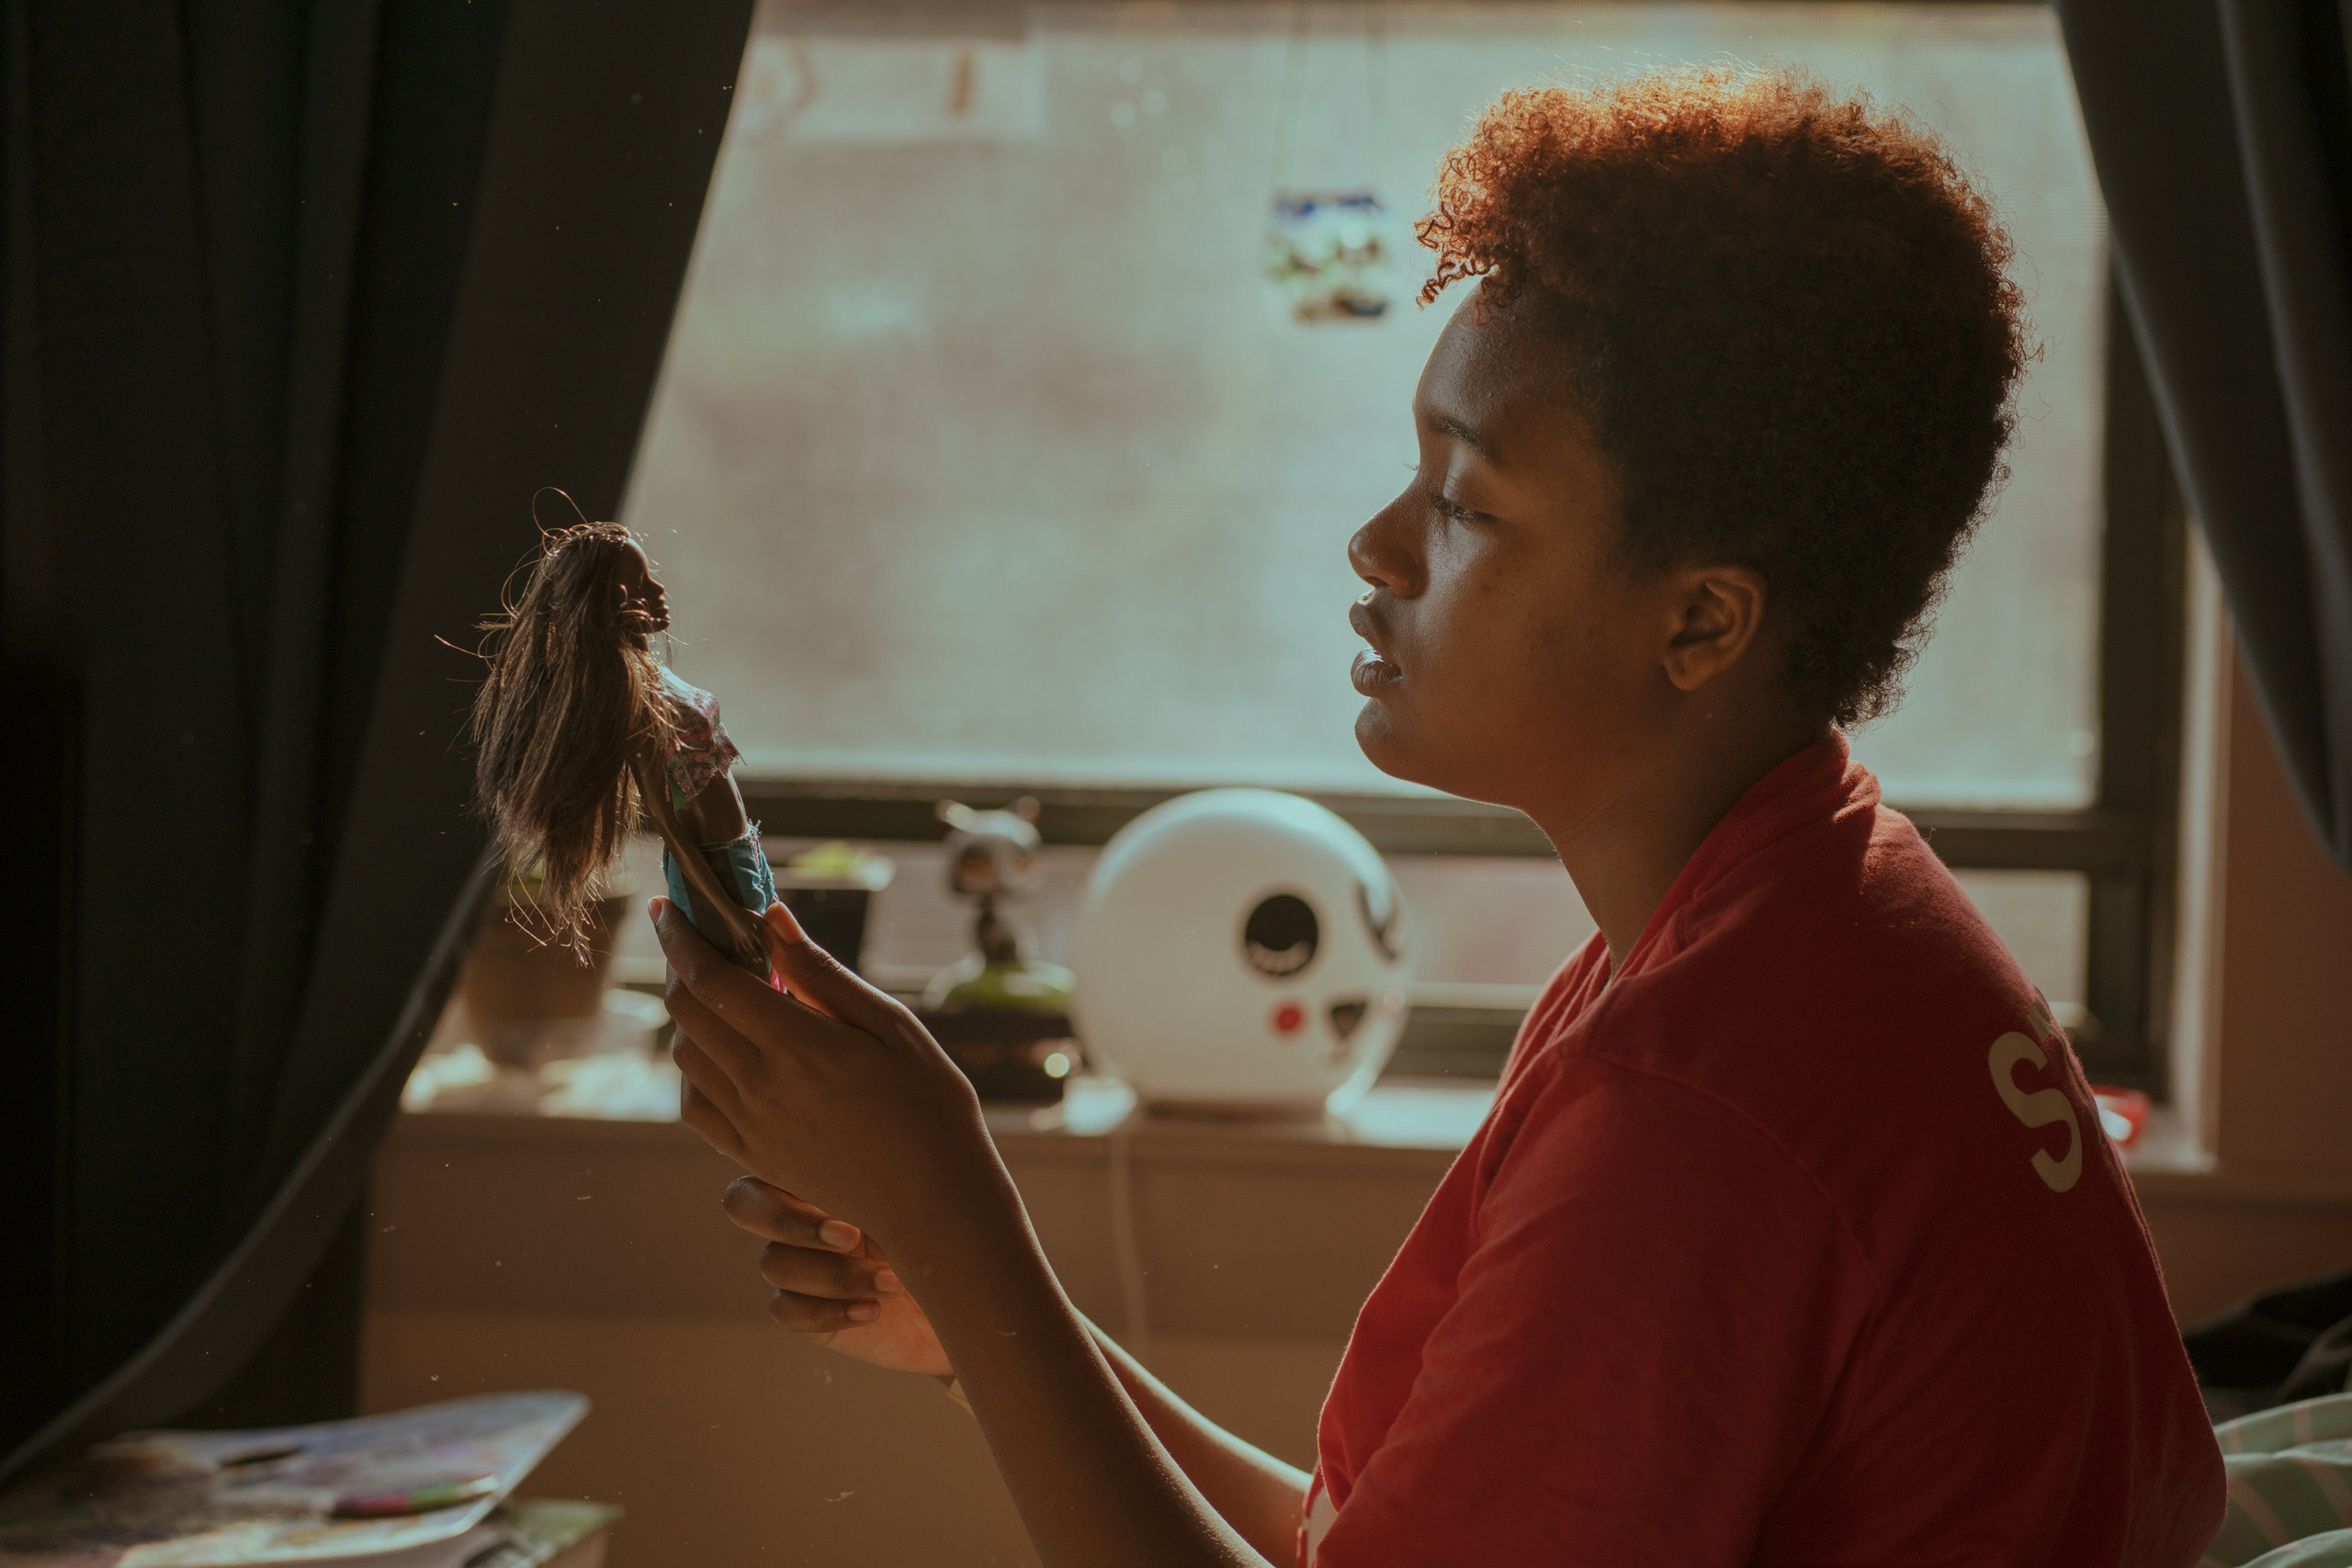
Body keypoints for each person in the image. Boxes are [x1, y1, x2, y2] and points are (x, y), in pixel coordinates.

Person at [648, 65, 2226, 1566]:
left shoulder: (1699, 1108)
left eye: (1466, 505)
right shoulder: (1807, 903)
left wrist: (951, 1199)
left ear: (1701, 623)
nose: (1377, 546)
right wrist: (972, 1322)